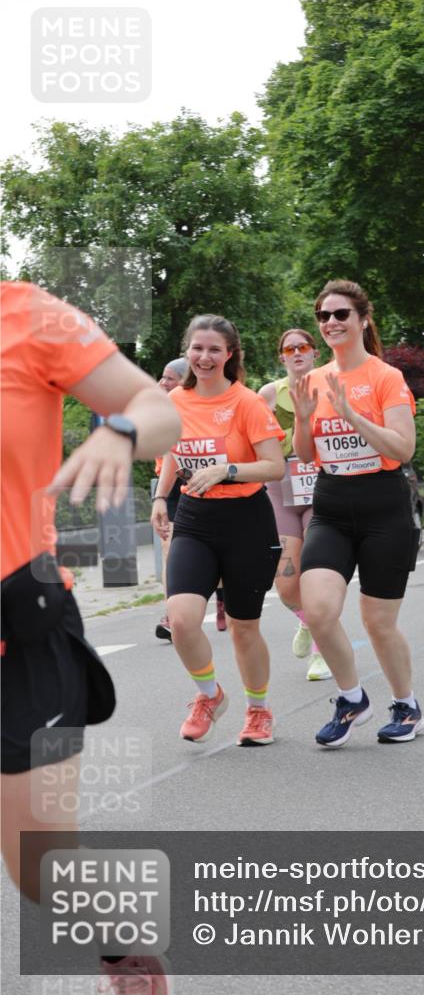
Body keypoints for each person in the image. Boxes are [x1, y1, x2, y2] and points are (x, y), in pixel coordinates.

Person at [1, 281, 181, 991]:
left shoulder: (26, 316)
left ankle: (117, 938)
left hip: (21, 636)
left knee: (40, 863)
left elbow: (155, 407)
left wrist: (121, 428)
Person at [291, 279, 423, 747]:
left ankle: (406, 705)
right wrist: (304, 418)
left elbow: (403, 448)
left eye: (341, 314)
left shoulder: (385, 377)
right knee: (320, 609)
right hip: (331, 505)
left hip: (384, 506)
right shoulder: (312, 380)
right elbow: (305, 456)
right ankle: (351, 698)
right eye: (323, 316)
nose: (331, 323)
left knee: (377, 621)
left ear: (363, 320)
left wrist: (354, 417)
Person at [151, 314, 285, 746]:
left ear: (230, 354)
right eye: (197, 348)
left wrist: (227, 469)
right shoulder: (175, 403)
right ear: (188, 351)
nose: (204, 357)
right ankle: (210, 695)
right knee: (182, 620)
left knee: (245, 626)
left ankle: (259, 710)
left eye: (214, 349)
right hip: (194, 519)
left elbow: (275, 466)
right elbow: (174, 452)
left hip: (246, 520)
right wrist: (159, 497)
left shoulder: (246, 402)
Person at [258, 329, 332, 681]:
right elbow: (253, 444)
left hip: (323, 489)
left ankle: (321, 649)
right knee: (286, 583)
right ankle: (306, 621)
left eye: (304, 347)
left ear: (315, 353)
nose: (297, 352)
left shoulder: (331, 386)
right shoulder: (269, 395)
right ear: (282, 357)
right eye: (290, 348)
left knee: (317, 573)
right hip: (280, 490)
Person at [154, 357, 188, 640]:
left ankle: (223, 593)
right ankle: (170, 614)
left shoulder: (194, 408)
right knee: (169, 550)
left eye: (169, 379)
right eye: (162, 378)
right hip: (169, 488)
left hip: (196, 482)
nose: (163, 383)